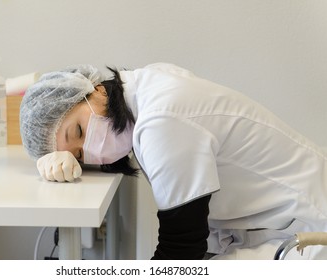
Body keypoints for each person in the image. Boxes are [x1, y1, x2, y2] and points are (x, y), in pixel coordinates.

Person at [19, 63, 327, 260]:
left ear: (94, 90)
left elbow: (181, 249)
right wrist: (63, 157)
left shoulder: (161, 121)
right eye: (81, 155)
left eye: (80, 131)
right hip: (271, 228)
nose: (91, 148)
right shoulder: (146, 86)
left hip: (306, 236)